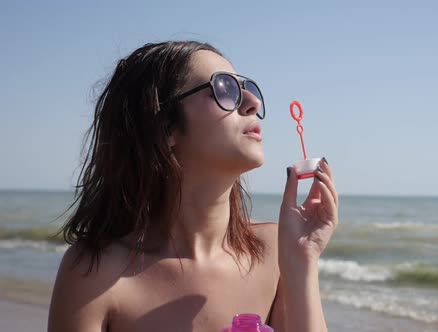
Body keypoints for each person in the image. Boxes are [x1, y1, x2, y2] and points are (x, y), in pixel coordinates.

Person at [47, 41, 338, 332]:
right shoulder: (94, 274)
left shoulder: (276, 250)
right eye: (225, 88)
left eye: (248, 87)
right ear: (165, 128)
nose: (253, 102)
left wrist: (302, 261)